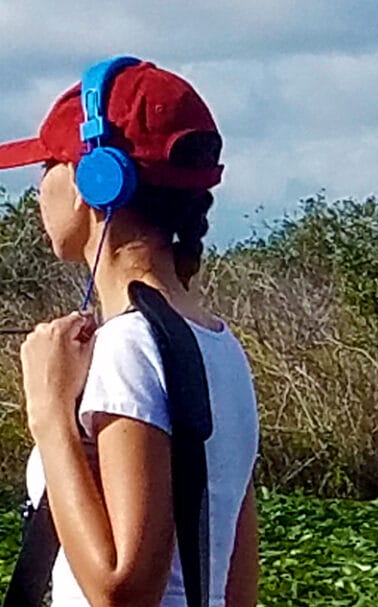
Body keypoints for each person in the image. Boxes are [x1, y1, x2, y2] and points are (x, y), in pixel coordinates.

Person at [1, 58, 259, 606]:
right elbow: (237, 586)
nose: (38, 186)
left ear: (95, 180)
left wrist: (49, 413)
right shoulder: (221, 344)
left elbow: (125, 591)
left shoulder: (129, 348)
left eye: (48, 163)